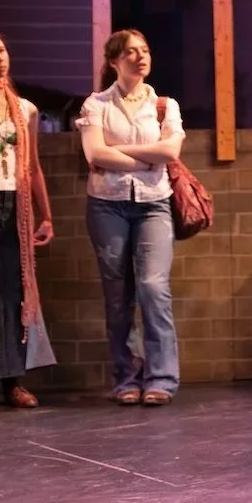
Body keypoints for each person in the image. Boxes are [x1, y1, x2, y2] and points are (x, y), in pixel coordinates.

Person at [76, 29, 184, 407]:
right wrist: (146, 158)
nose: (140, 57)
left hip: (154, 203)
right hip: (107, 204)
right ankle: (126, 379)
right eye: (131, 52)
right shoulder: (96, 104)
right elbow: (95, 154)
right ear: (114, 62)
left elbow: (170, 152)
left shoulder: (164, 105)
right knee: (118, 297)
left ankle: (162, 378)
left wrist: (120, 151)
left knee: (153, 287)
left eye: (145, 50)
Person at [0, 27, 56, 412]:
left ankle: (13, 381)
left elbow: (31, 166)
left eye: (1, 51)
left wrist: (46, 215)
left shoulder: (25, 109)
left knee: (13, 292)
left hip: (14, 206)